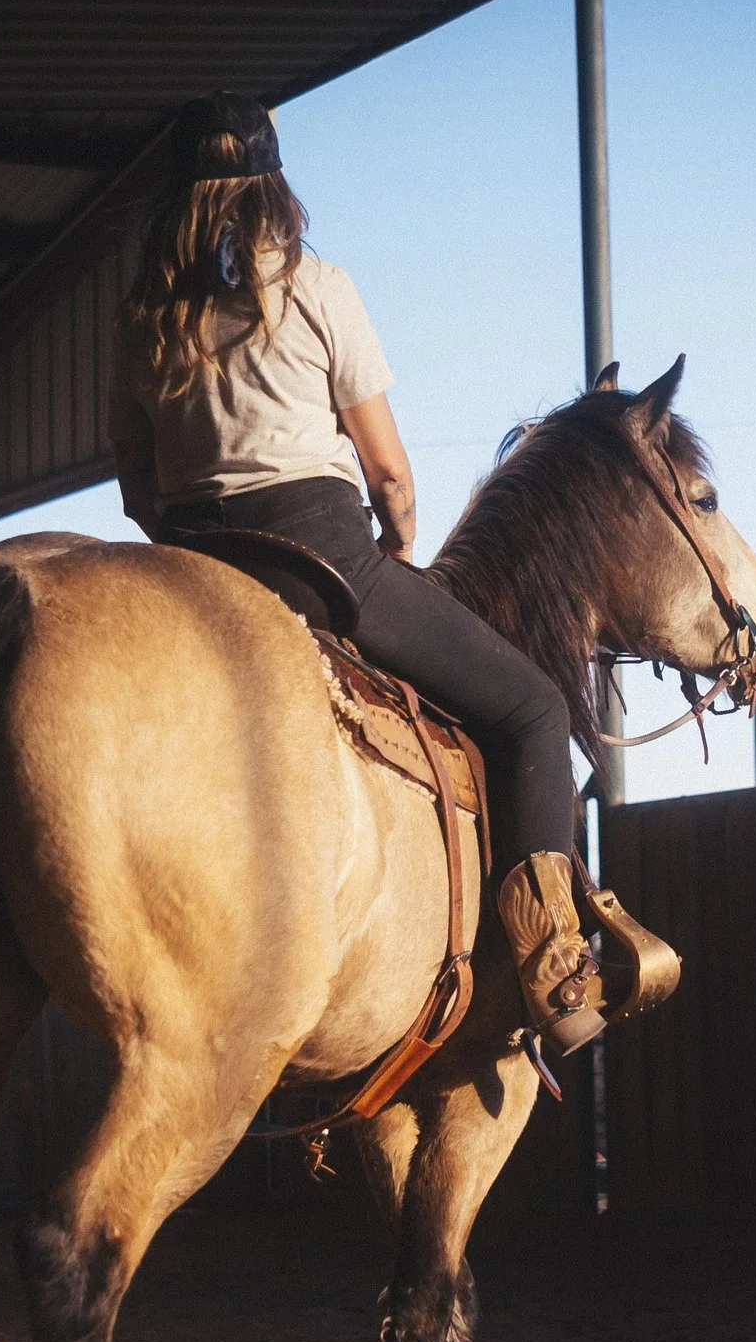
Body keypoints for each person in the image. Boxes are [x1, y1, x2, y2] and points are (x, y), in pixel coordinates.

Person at [107, 91, 624, 1056]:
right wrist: (397, 548)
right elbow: (388, 470)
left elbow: (135, 481)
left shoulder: (144, 317)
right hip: (323, 563)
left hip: (193, 578)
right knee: (533, 713)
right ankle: (555, 969)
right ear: (274, 186)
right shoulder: (319, 286)